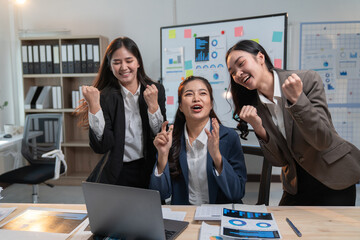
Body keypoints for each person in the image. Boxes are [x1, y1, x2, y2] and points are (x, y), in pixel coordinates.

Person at [226, 39, 360, 206]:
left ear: (260, 57)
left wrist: (297, 100)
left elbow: (322, 139)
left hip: (334, 175)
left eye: (241, 63)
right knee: (283, 229)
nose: (238, 73)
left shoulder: (305, 80)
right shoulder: (254, 107)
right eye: (232, 72)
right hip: (296, 184)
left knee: (329, 232)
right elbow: (279, 161)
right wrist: (258, 127)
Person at [75, 37, 166, 188]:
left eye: (129, 60)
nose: (124, 67)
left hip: (149, 168)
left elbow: (160, 134)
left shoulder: (155, 90)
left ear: (138, 62)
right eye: (117, 62)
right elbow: (101, 147)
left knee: (150, 211)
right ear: (110, 67)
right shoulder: (105, 97)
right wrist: (94, 106)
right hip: (119, 171)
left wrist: (153, 107)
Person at [149, 76, 247, 205]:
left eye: (203, 93)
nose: (196, 98)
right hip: (186, 215)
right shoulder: (170, 138)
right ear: (180, 106)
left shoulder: (229, 137)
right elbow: (159, 194)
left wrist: (217, 157)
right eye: (189, 94)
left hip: (220, 215)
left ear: (211, 104)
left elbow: (237, 193)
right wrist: (162, 155)